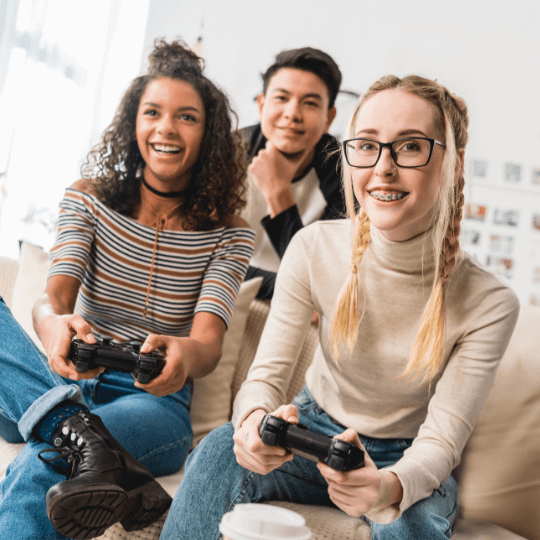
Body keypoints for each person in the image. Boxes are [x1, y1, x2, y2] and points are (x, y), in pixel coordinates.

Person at [159, 74, 520, 540]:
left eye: (410, 147)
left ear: (453, 163)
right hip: (311, 429)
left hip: (404, 454)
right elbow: (266, 380)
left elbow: (441, 442)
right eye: (367, 146)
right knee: (216, 452)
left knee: (411, 522)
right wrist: (251, 424)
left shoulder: (491, 303)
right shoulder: (312, 248)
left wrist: (387, 487)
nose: (383, 168)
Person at [0, 39, 254, 540]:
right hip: (58, 380)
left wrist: (181, 351)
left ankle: (69, 434)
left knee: (46, 461)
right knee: (59, 427)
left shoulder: (229, 234)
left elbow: (206, 343)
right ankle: (78, 430)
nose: (165, 128)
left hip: (150, 402)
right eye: (153, 112)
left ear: (209, 136)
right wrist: (54, 327)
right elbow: (54, 299)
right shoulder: (88, 198)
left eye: (187, 117)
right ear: (132, 123)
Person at [241, 47, 346, 300]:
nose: (292, 114)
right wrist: (293, 290)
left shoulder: (347, 175)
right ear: (262, 105)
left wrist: (278, 192)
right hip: (231, 299)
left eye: (310, 103)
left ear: (328, 117)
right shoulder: (227, 154)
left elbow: (325, 280)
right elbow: (201, 262)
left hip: (297, 314)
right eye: (281, 98)